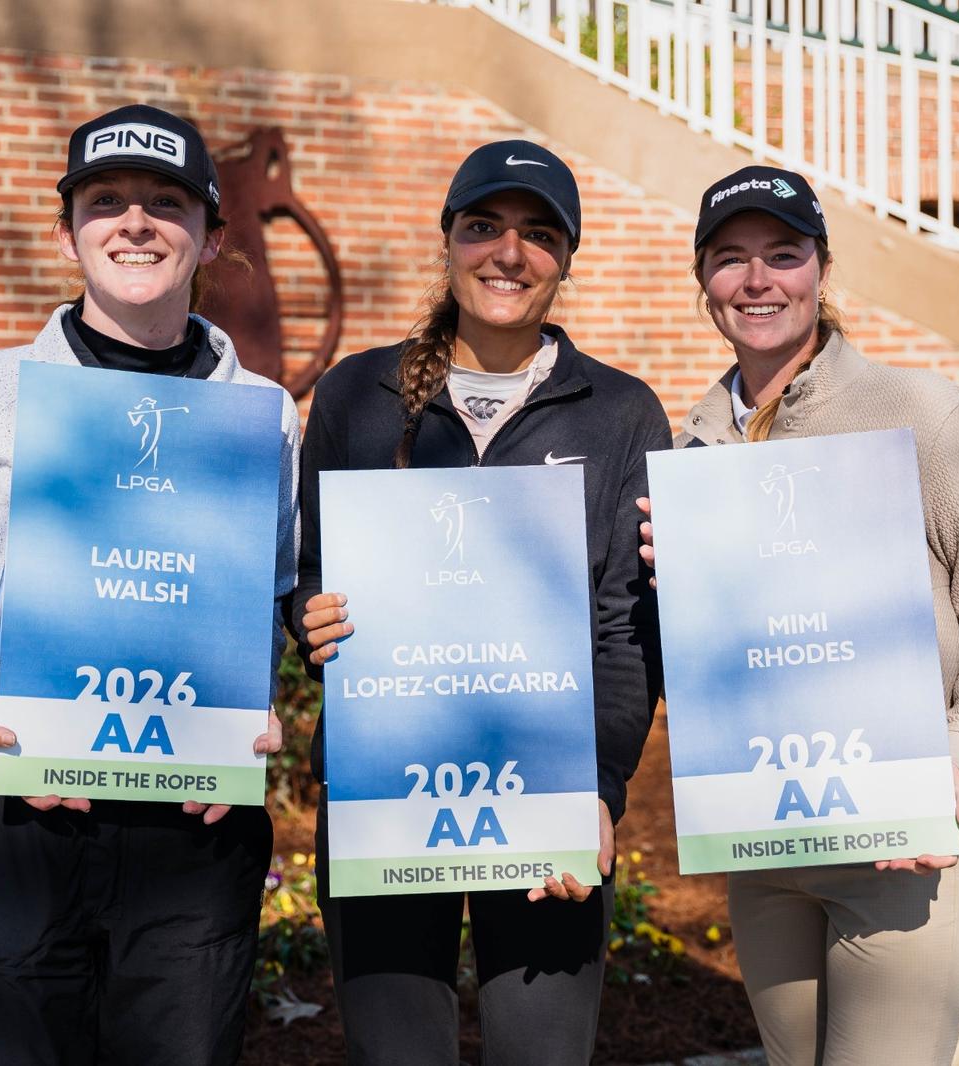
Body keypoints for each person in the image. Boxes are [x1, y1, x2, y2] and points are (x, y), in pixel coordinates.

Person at [0, 104, 298, 1065]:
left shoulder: (263, 415)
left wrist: (251, 706)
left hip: (190, 825)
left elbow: (271, 596)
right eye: (105, 199)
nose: (135, 222)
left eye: (167, 203)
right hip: (5, 809)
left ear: (209, 236)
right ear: (67, 229)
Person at [638, 165, 959, 1065]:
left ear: (822, 268)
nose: (758, 281)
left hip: (910, 835)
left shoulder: (924, 414)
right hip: (769, 841)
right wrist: (684, 601)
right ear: (702, 281)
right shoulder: (692, 452)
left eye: (783, 255)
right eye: (730, 259)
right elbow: (712, 673)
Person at [292, 140, 671, 1064]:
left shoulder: (619, 412)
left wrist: (601, 791)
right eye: (485, 227)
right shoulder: (356, 396)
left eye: (539, 234)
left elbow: (625, 630)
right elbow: (307, 571)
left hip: (547, 797)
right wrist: (310, 619)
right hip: (385, 787)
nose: (510, 253)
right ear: (449, 242)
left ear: (567, 259)